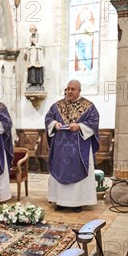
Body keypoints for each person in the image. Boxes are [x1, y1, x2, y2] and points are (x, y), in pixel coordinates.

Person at [45, 80, 99, 213]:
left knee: (77, 172)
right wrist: (54, 124)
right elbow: (48, 118)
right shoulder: (57, 106)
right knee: (59, 171)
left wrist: (79, 126)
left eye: (72, 89)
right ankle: (60, 201)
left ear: (79, 91)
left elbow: (94, 122)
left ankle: (77, 202)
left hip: (79, 148)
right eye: (68, 89)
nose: (69, 91)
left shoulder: (89, 106)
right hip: (60, 148)